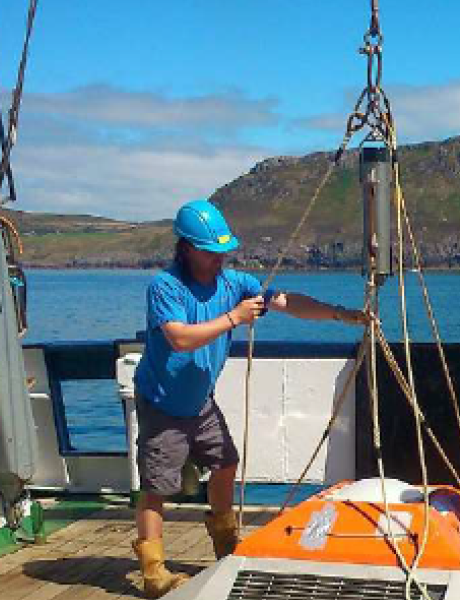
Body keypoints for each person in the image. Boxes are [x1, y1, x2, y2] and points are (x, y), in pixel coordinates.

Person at [131, 199, 367, 598]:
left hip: (200, 401)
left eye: (223, 251)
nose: (219, 258)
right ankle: (154, 574)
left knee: (226, 463)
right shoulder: (165, 287)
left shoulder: (234, 283)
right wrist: (233, 319)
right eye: (211, 251)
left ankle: (226, 547)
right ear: (187, 247)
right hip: (162, 403)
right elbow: (179, 338)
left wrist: (341, 314)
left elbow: (286, 302)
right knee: (157, 487)